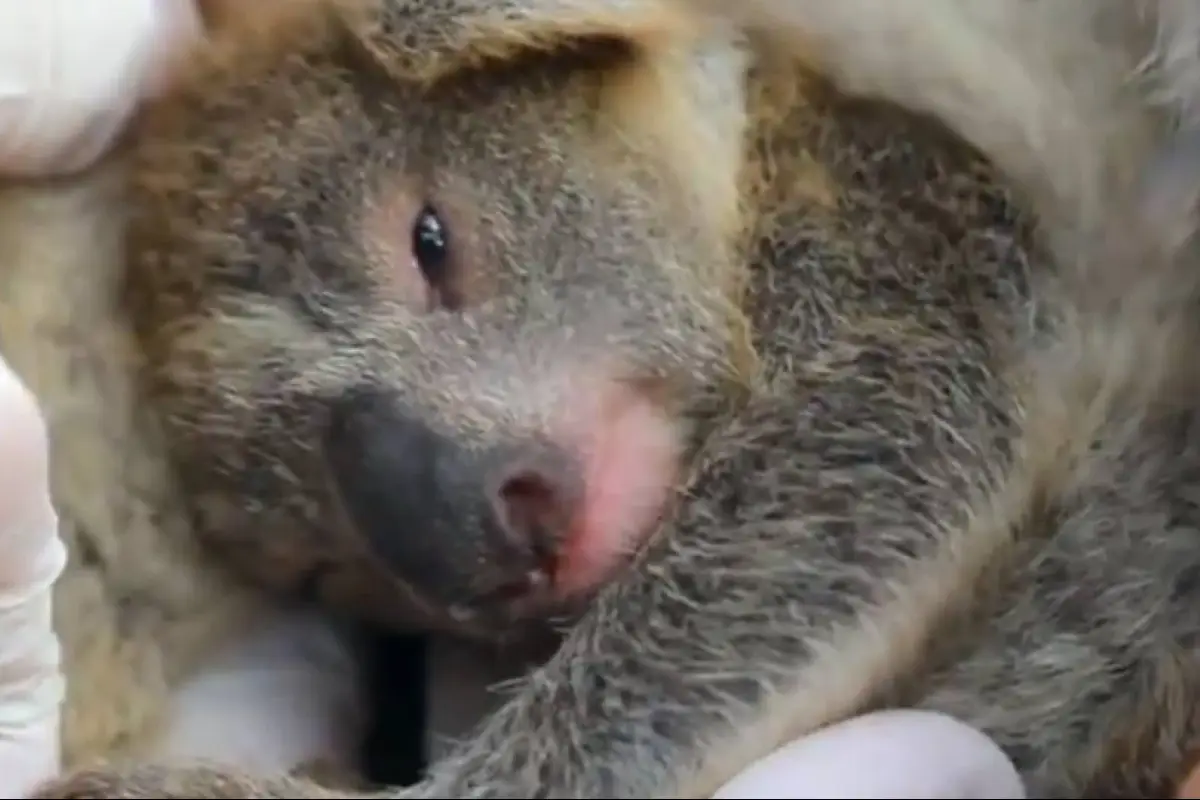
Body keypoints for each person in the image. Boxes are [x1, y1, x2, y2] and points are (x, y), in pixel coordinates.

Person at [0, 1, 1034, 796]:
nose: (452, 568)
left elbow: (883, 430)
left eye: (432, 253)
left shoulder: (813, 139)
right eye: (329, 568)